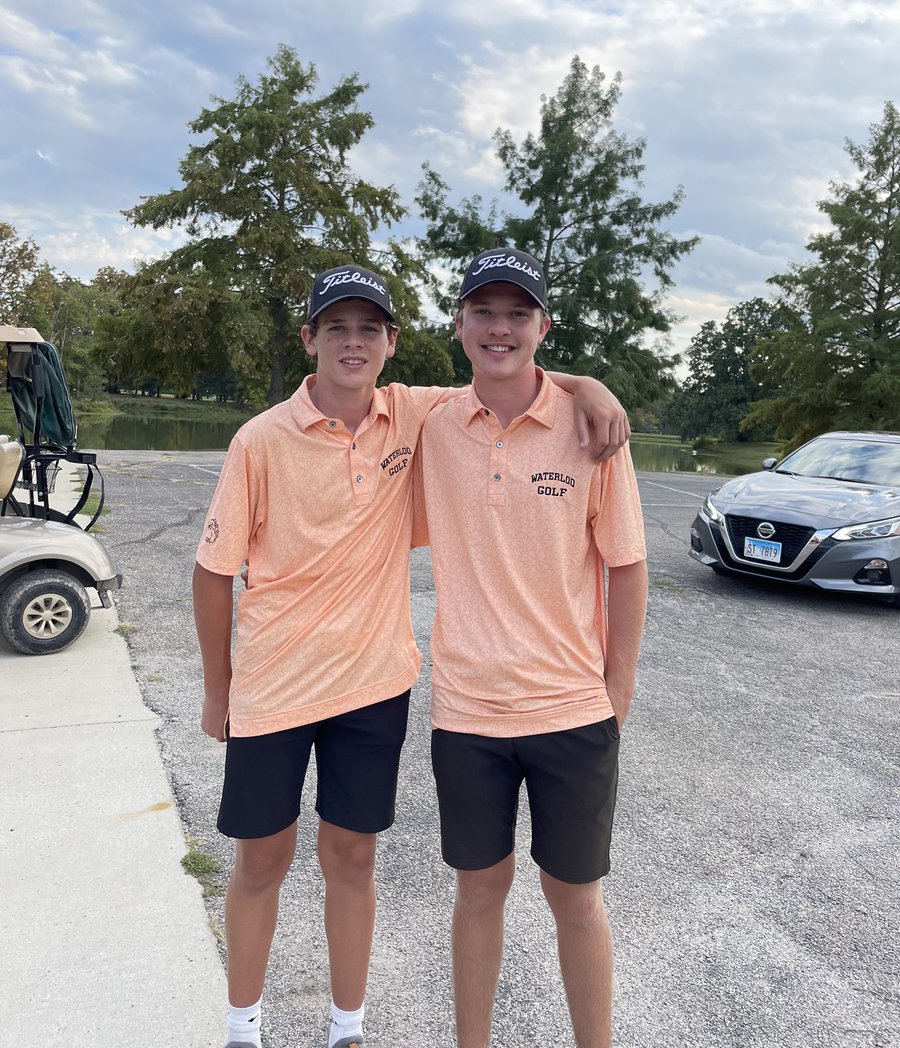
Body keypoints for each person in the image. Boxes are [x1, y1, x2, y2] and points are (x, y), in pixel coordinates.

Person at [193, 261, 630, 1048]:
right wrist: (215, 689)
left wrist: (588, 383)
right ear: (310, 339)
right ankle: (241, 1028)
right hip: (285, 686)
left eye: (369, 329)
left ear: (394, 343)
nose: (352, 343)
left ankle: (345, 1028)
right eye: (336, 328)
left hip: (380, 685)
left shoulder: (419, 415)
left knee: (360, 860)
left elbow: (513, 368)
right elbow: (211, 571)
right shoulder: (284, 437)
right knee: (266, 861)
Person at [417, 248, 648, 1048]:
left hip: (570, 713)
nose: (500, 328)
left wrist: (616, 696)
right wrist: (589, 378)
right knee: (478, 895)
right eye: (484, 311)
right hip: (468, 715)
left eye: (519, 313)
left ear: (544, 326)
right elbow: (348, 390)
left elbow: (628, 567)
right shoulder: (432, 421)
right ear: (459, 324)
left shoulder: (593, 432)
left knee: (575, 899)